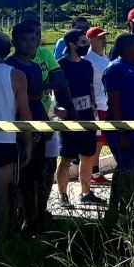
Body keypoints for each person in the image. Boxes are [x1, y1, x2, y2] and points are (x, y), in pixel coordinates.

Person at [6, 20, 73, 232]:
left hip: (39, 123)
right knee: (20, 177)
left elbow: (42, 98)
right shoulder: (10, 66)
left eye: (32, 39)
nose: (29, 43)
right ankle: (19, 221)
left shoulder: (35, 67)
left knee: (37, 175)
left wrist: (46, 125)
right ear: (14, 41)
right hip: (18, 127)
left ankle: (34, 219)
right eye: (23, 40)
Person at [0, 32, 34, 237]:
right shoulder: (16, 75)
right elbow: (24, 112)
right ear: (9, 50)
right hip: (4, 140)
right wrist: (28, 143)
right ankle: (4, 233)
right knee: (2, 192)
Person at [101, 32, 134, 228]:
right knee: (126, 170)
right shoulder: (115, 69)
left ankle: (124, 210)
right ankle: (116, 214)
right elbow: (113, 103)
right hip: (124, 130)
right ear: (129, 48)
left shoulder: (133, 68)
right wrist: (122, 132)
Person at [53, 29, 102, 208]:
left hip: (87, 115)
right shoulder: (60, 65)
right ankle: (62, 196)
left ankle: (86, 192)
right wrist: (57, 111)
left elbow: (90, 87)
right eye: (83, 42)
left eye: (86, 42)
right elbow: (53, 92)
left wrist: (94, 109)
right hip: (69, 118)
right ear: (71, 45)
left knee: (88, 156)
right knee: (66, 158)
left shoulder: (87, 65)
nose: (86, 45)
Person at [84, 26, 112, 187]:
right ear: (90, 40)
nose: (104, 40)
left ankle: (95, 170)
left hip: (106, 103)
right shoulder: (88, 58)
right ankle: (94, 171)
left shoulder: (104, 57)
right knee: (98, 139)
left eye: (104, 37)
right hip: (97, 105)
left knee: (102, 139)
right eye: (100, 37)